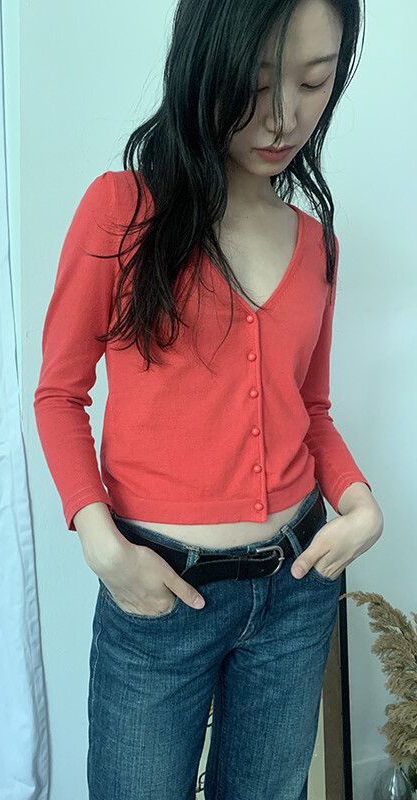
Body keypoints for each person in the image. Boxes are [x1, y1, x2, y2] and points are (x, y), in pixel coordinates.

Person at [33, 0, 384, 797]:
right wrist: (99, 540)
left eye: (314, 82)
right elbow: (58, 393)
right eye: (256, 83)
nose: (284, 117)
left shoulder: (317, 244)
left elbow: (311, 412)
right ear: (203, 64)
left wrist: (360, 505)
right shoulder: (121, 211)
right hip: (158, 593)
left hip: (297, 589)